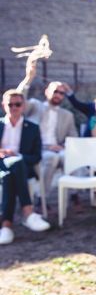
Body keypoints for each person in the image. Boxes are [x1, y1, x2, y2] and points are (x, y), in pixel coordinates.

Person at [17, 61, 79, 204]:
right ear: (47, 91)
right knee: (51, 158)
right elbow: (18, 99)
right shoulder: (34, 106)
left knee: (68, 157)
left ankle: (74, 194)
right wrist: (28, 78)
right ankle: (41, 198)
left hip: (59, 148)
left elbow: (73, 137)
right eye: (55, 91)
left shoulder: (67, 114)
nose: (58, 95)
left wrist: (63, 146)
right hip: (39, 150)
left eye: (61, 93)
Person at [0, 90, 50, 245]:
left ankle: (6, 225)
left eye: (17, 104)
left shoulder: (33, 128)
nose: (14, 107)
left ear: (24, 106)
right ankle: (28, 213)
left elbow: (37, 156)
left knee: (14, 167)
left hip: (22, 167)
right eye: (10, 104)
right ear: (3, 106)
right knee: (11, 167)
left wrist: (17, 155)